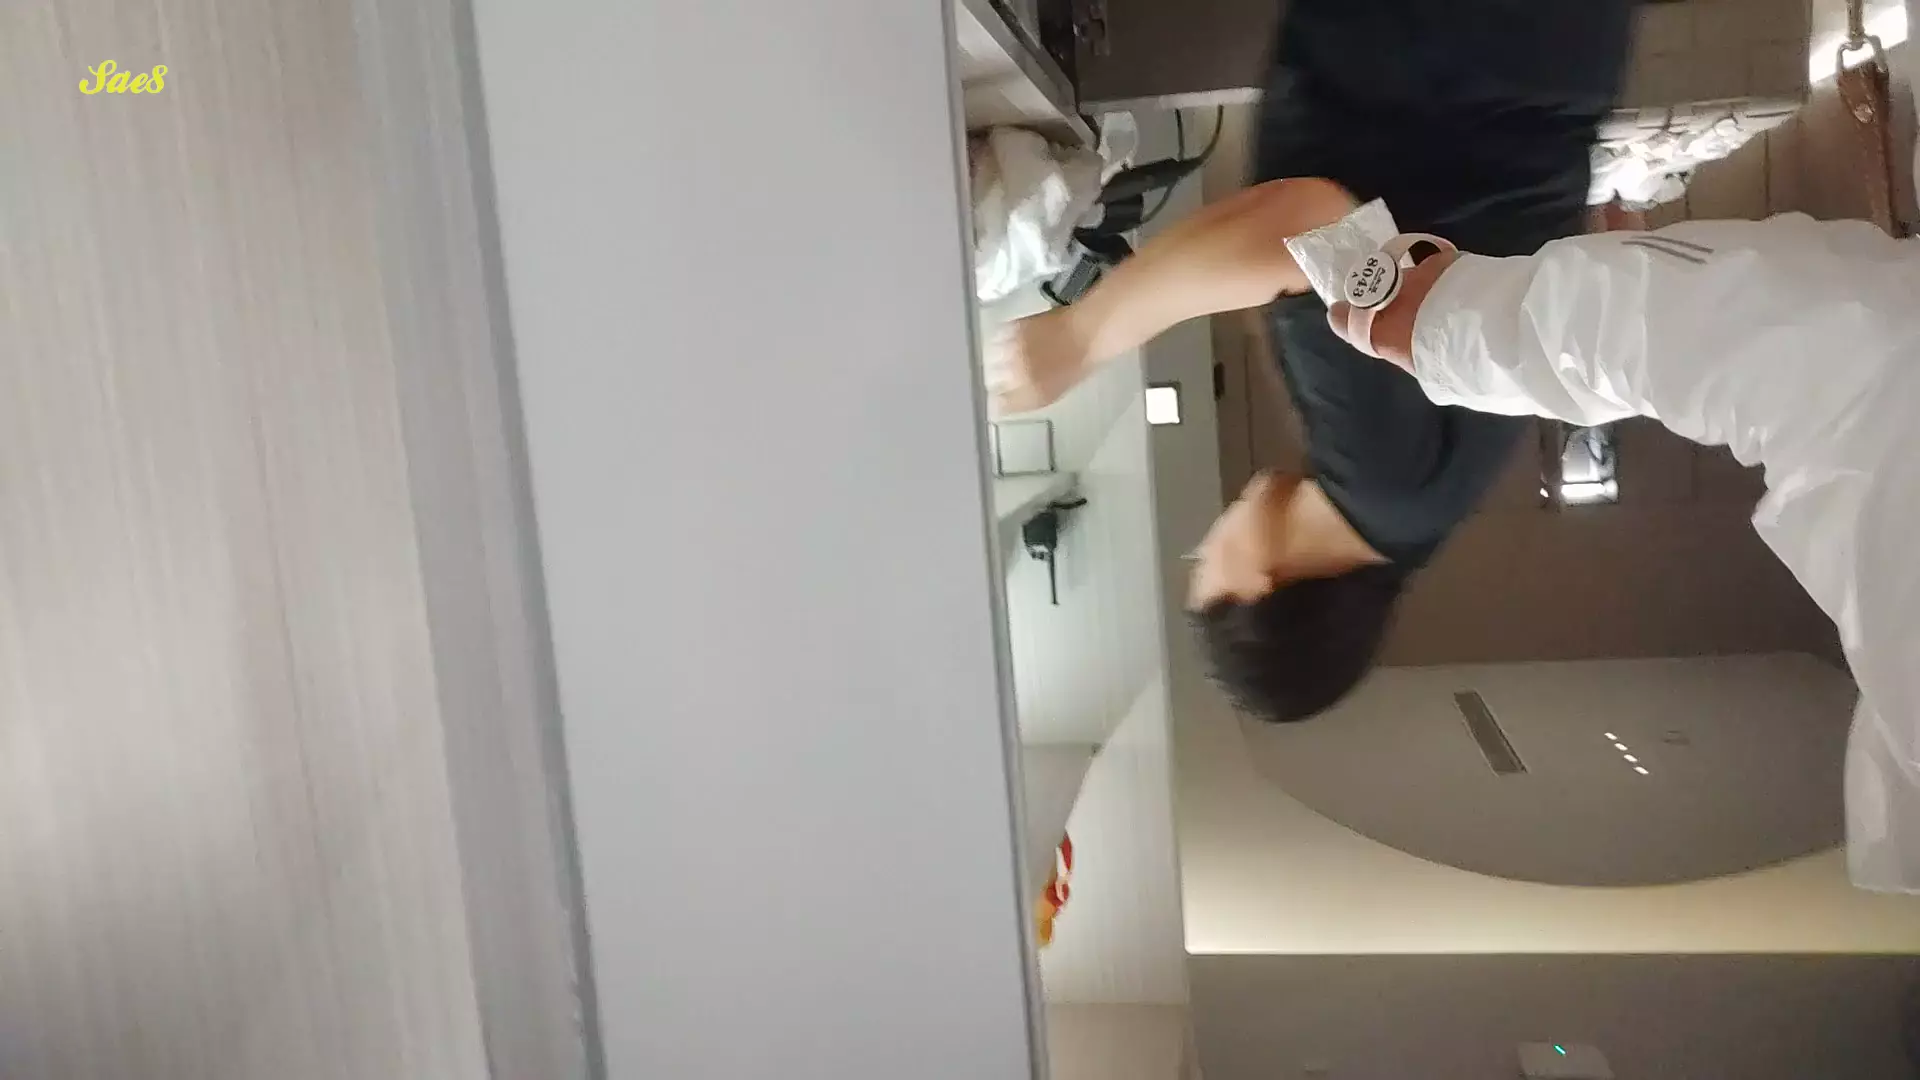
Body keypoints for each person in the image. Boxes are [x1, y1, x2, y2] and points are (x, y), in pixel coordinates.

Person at [986, 0, 1635, 721]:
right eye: (1206, 565)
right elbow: (1310, 223)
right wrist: (1083, 338)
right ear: (1257, 590)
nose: (1208, 538)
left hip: (1488, 57)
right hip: (1467, 48)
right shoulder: (1386, 481)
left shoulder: (1404, 499)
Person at [1322, 211, 1920, 893]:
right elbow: (1850, 361)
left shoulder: (1397, 494)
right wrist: (1460, 326)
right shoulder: (1395, 492)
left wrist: (1465, 326)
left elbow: (1845, 359)